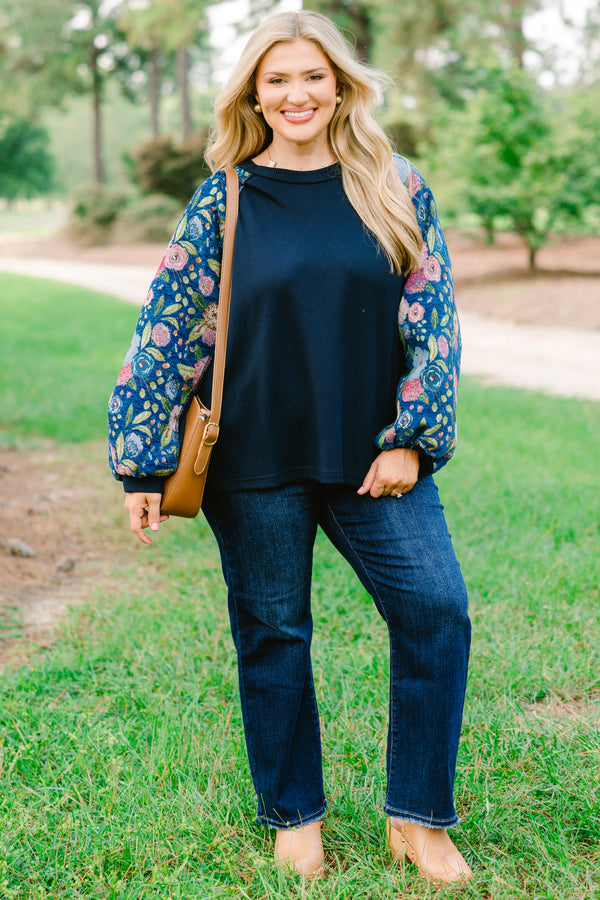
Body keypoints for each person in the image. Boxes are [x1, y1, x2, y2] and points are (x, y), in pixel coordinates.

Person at [108, 10, 473, 884]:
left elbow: (433, 320)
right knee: (274, 633)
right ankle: (295, 818)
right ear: (254, 94)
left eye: (314, 76)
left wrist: (413, 442)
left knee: (437, 611)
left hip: (373, 457)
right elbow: (168, 329)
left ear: (341, 86)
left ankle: (418, 818)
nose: (296, 94)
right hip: (252, 462)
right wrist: (141, 460)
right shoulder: (225, 198)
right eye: (277, 79)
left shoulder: (393, 185)